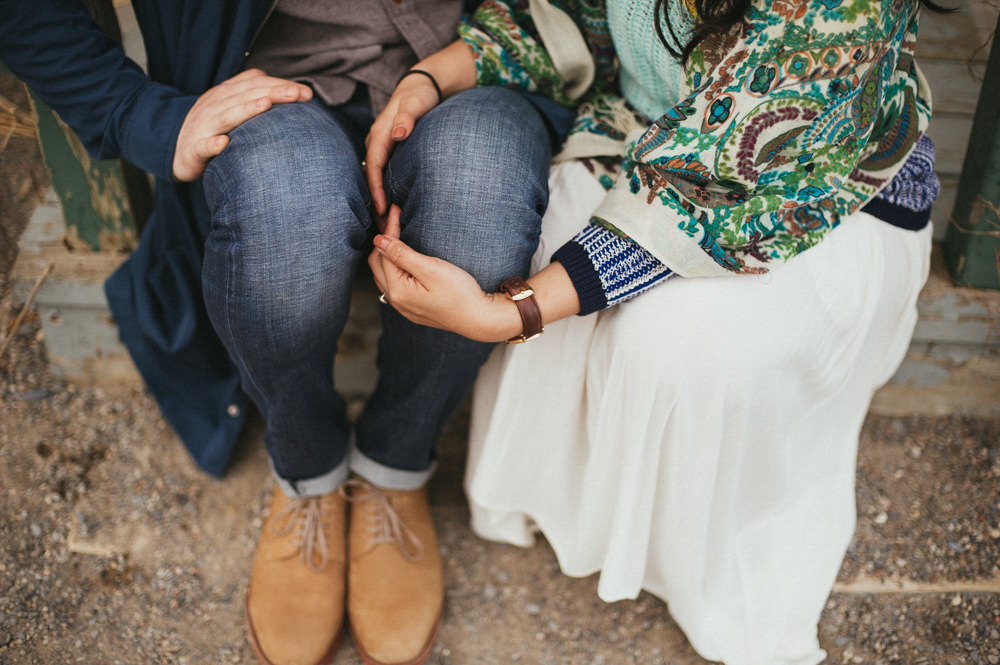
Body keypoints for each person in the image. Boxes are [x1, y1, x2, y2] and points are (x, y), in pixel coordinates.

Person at [364, 0, 941, 663]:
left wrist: (513, 312)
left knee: (680, 342)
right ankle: (587, 516)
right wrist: (429, 79)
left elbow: (732, 167)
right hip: (646, 135)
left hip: (822, 190)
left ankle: (703, 557)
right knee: (533, 233)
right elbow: (583, 21)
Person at [0, 2, 574, 665]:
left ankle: (395, 461)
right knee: (285, 205)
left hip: (483, 58)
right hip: (271, 71)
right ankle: (308, 468)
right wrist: (138, 112)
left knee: (481, 198)